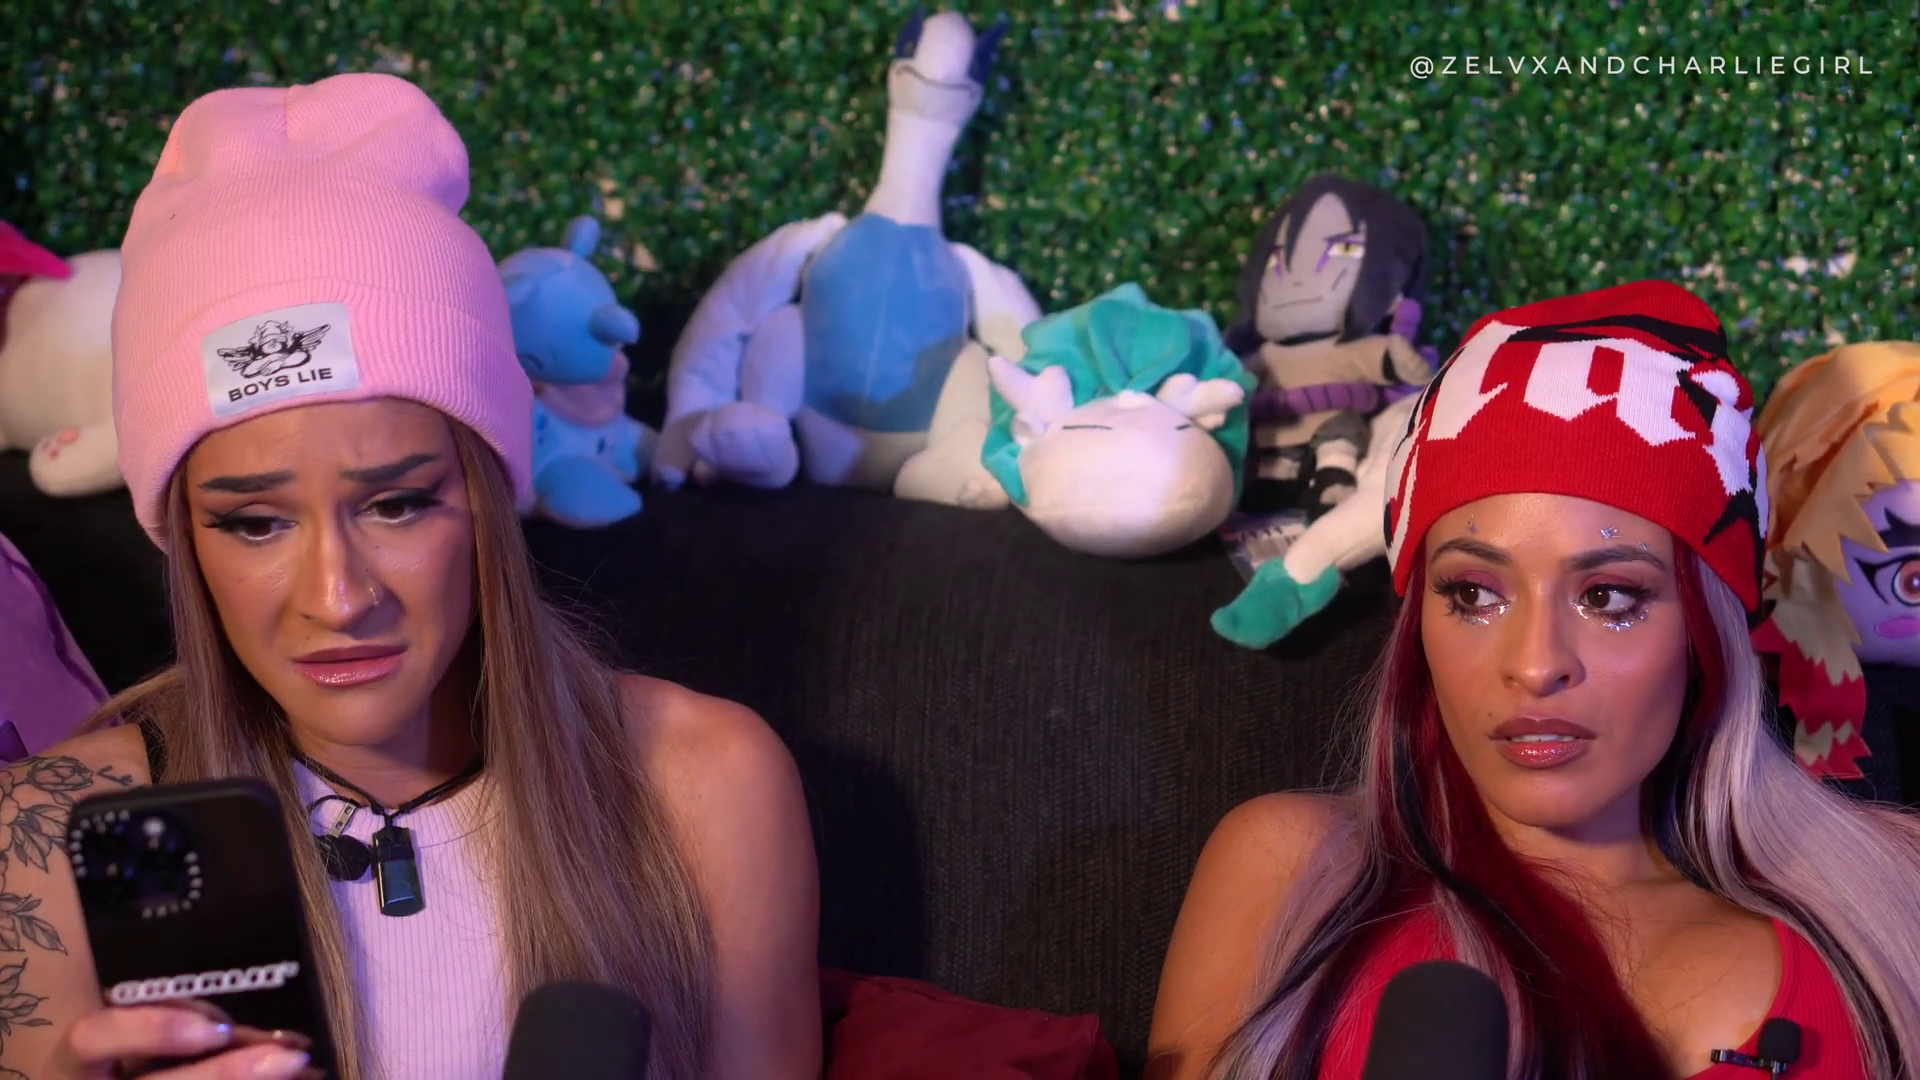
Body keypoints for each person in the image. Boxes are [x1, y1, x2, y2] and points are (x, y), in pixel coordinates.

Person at [0, 73, 821, 1080]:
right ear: (184, 538)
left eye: (395, 504)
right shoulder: (43, 836)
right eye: (254, 523)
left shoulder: (707, 786)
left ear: (488, 496)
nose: (338, 598)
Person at [1145, 282, 1920, 1079]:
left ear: (1705, 629)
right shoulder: (1292, 872)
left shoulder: (1898, 887)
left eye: (1608, 596)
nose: (1536, 664)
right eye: (1473, 594)